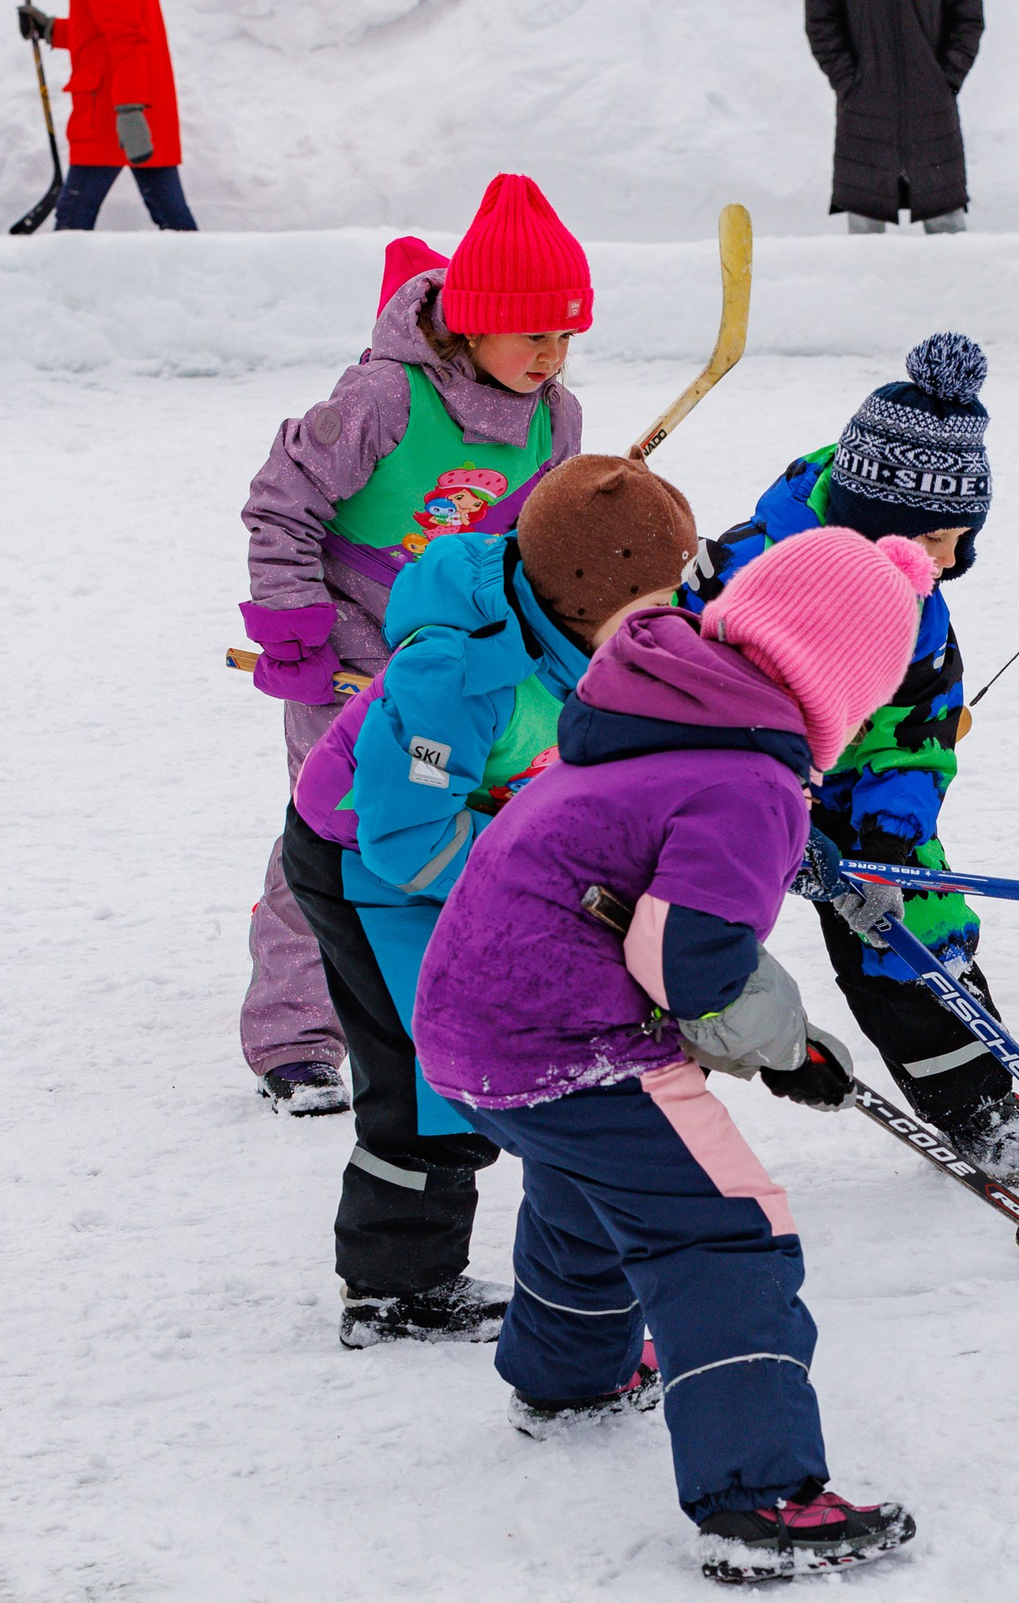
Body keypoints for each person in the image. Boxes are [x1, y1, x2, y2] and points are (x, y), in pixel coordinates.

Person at [411, 527, 934, 1584]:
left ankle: (570, 1375)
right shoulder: (748, 784)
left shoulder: (646, 714)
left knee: (586, 1188)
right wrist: (784, 1048)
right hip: (577, 1037)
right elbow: (687, 960)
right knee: (722, 1231)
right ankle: (758, 1494)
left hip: (470, 1028)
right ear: (837, 678)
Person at [285, 457, 697, 1351]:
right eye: (656, 602)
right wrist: (538, 880)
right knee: (427, 1079)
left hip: (476, 851)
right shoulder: (458, 674)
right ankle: (396, 1291)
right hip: (369, 866)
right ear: (587, 600)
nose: (675, 620)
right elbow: (404, 836)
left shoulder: (595, 631)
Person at [235, 176, 590, 1115]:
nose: (551, 357)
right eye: (532, 334)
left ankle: (459, 1008)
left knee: (472, 821)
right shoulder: (383, 397)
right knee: (339, 823)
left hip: (462, 658)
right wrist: (292, 622)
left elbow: (535, 550)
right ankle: (295, 1033)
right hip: (344, 642)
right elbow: (283, 500)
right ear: (472, 320)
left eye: (566, 336)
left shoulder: (560, 418)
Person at [678, 334, 1019, 1186]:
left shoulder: (921, 607)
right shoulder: (746, 566)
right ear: (877, 525)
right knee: (686, 946)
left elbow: (917, 734)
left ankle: (978, 1109)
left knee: (913, 927)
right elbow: (678, 689)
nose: (954, 562)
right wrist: (761, 808)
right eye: (938, 541)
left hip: (850, 791)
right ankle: (644, 1121)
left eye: (963, 540)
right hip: (722, 792)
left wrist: (890, 838)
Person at [14, 1, 196, 231]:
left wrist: (129, 110)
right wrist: (52, 29)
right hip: (134, 109)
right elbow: (101, 32)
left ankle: (63, 268)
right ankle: (210, 268)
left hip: (111, 115)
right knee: (174, 222)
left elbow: (128, 39)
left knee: (73, 219)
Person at [805, 0, 985, 233]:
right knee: (865, 231)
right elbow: (821, 21)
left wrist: (945, 80)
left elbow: (967, 18)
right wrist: (848, 82)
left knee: (947, 228)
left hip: (931, 112)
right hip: (865, 114)